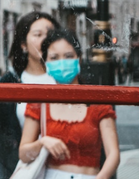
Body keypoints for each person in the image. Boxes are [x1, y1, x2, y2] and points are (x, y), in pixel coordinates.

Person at [19, 29, 120, 179]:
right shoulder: (39, 102)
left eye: (68, 56)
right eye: (54, 57)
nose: (62, 63)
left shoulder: (97, 102)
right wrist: (43, 142)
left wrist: (102, 177)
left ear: (78, 58)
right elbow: (23, 154)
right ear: (45, 63)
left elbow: (113, 154)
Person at [0, 11, 58, 179]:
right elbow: (0, 144)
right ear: (23, 44)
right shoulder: (10, 82)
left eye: (50, 34)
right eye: (38, 34)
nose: (45, 39)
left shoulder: (66, 78)